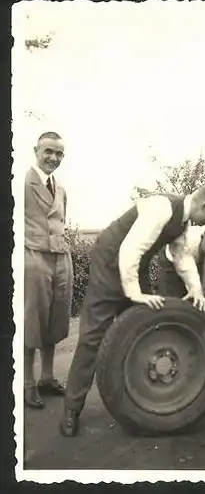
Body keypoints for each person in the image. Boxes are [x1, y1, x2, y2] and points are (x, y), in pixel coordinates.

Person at [60, 185, 205, 437]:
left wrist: (196, 289)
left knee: (144, 327)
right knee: (93, 338)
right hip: (109, 262)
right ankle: (71, 410)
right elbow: (131, 249)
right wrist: (134, 293)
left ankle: (140, 398)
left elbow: (181, 256)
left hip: (132, 267)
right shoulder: (161, 208)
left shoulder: (181, 222)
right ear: (204, 205)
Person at [24, 131, 73, 409]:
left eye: (59, 154)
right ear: (36, 150)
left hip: (59, 258)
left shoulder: (62, 189)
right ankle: (27, 384)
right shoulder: (22, 183)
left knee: (55, 318)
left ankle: (47, 377)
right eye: (48, 152)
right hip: (33, 257)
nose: (53, 158)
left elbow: (61, 223)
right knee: (32, 322)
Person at [158, 222, 205, 299]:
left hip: (193, 259)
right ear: (202, 237)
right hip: (172, 258)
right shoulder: (189, 243)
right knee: (173, 295)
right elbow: (188, 274)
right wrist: (196, 292)